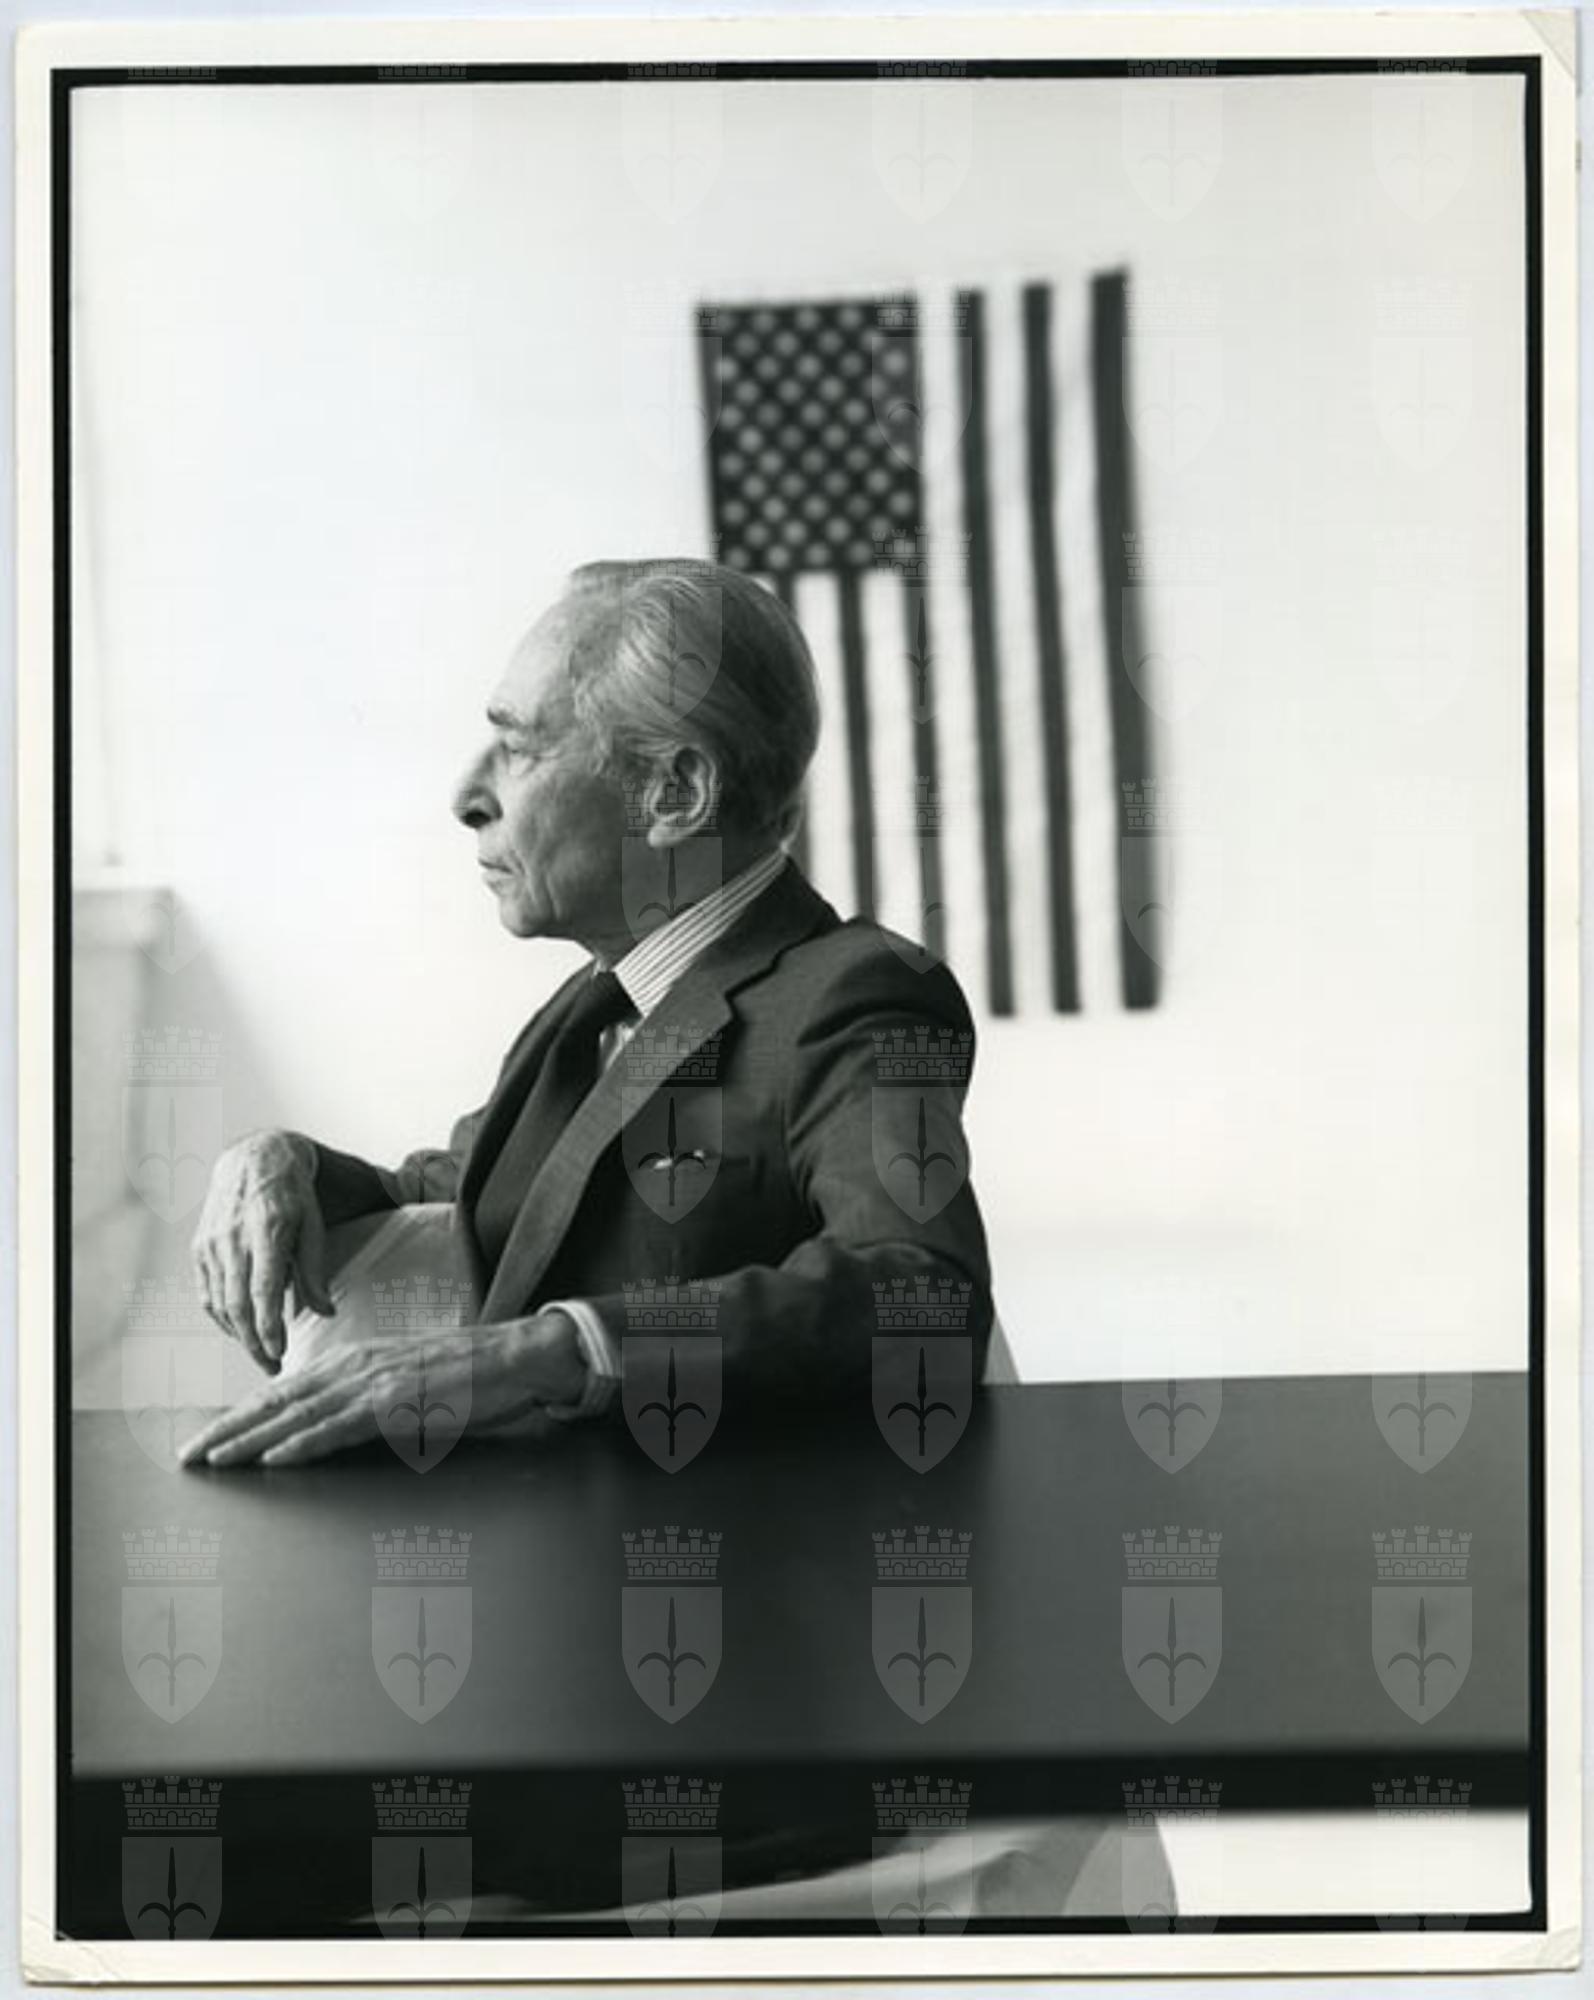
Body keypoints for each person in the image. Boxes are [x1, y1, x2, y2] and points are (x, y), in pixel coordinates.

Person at [181, 557, 992, 1467]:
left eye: (518, 748)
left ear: (676, 793)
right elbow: (464, 1194)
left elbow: (923, 1285)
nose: (467, 797)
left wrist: (555, 1349)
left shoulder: (855, 994)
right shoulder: (593, 1005)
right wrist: (275, 1162)